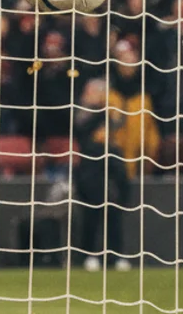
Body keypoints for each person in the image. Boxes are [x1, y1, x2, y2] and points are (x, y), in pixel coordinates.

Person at [73, 78, 131, 273]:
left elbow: (119, 126)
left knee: (114, 212)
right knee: (91, 213)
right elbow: (81, 129)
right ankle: (88, 254)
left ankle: (116, 254)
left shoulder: (108, 113)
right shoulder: (81, 112)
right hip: (89, 169)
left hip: (111, 166)